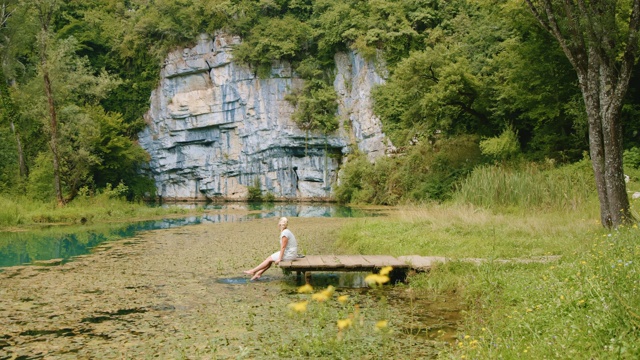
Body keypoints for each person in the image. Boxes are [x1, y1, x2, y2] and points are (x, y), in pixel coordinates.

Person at [244, 217, 298, 281]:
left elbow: (283, 247)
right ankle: (258, 273)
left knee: (269, 259)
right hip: (290, 252)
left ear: (279, 224)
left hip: (290, 254)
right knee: (269, 259)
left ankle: (253, 271)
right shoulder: (286, 231)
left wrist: (279, 259)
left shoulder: (285, 233)